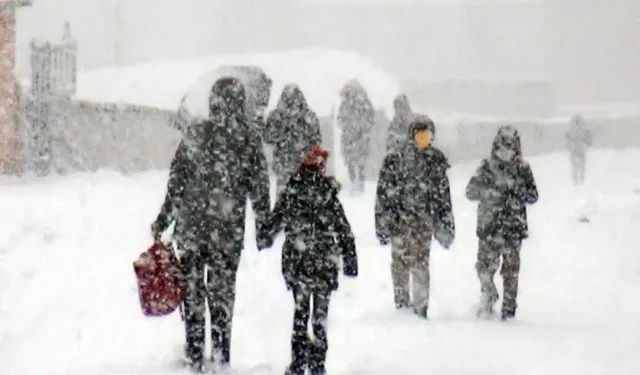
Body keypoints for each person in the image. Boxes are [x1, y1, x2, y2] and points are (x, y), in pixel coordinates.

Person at [151, 77, 272, 372]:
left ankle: (195, 353)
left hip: (191, 230)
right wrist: (263, 225)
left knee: (193, 293)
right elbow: (259, 188)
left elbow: (176, 182)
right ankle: (220, 355)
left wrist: (164, 218)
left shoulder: (196, 134)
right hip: (227, 233)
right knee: (222, 295)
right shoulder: (247, 141)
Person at [261, 145, 358, 375]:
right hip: (324, 263)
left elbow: (275, 222)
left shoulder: (293, 191)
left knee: (300, 313)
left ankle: (297, 363)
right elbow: (343, 228)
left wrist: (264, 237)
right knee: (320, 317)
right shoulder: (327, 193)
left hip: (298, 262)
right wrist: (350, 259)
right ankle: (317, 363)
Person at [374, 114, 455, 319]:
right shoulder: (395, 160)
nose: (423, 141)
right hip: (400, 219)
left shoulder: (435, 161)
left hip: (423, 221)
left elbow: (443, 197)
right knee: (399, 262)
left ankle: (421, 306)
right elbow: (383, 194)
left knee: (420, 263)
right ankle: (401, 303)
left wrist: (445, 224)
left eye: (426, 137)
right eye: (419, 137)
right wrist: (383, 222)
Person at [465, 125, 539, 321]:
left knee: (511, 273)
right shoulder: (486, 167)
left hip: (513, 229)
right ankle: (488, 297)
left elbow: (533, 195)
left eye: (510, 147)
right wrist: (491, 192)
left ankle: (509, 310)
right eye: (502, 147)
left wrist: (515, 194)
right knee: (484, 268)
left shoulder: (523, 169)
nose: (506, 152)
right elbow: (470, 191)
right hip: (489, 227)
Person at [264, 84, 322, 196]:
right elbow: (267, 137)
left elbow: (316, 141)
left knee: (296, 204)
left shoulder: (308, 117)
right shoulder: (277, 116)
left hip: (301, 168)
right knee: (285, 203)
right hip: (287, 168)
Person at [337, 80, 376, 193]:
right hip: (349, 137)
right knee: (351, 161)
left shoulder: (364, 103)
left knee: (360, 162)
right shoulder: (345, 104)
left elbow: (370, 118)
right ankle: (353, 182)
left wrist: (361, 127)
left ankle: (360, 183)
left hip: (360, 137)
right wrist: (347, 126)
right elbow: (340, 119)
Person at [565, 114, 592, 185]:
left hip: (575, 150)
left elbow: (567, 140)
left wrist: (569, 146)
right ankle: (579, 179)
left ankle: (577, 179)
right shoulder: (583, 130)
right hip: (579, 150)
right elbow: (588, 140)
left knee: (576, 166)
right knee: (580, 166)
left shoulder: (570, 130)